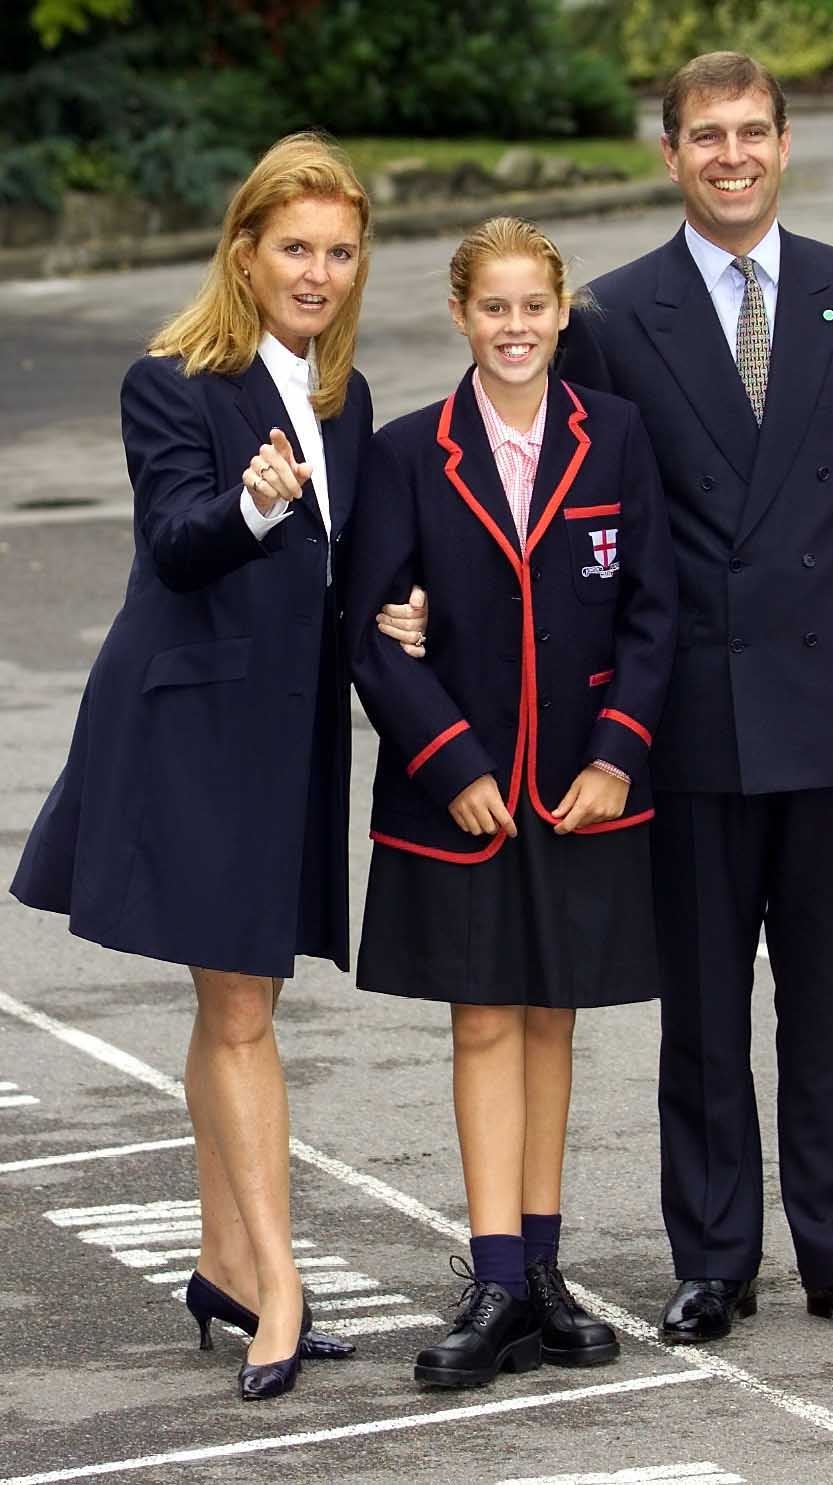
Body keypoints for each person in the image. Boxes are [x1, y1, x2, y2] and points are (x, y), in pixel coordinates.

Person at [10, 132, 422, 1400]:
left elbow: (341, 586)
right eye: (294, 247)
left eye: (340, 252)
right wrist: (249, 506)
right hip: (189, 730)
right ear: (243, 251)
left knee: (238, 1007)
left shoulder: (343, 406)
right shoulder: (174, 380)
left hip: (285, 738)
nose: (318, 271)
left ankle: (225, 1264)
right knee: (241, 1009)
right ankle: (282, 1287)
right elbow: (180, 545)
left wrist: (401, 621)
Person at [559, 52, 833, 1343]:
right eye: (702, 135)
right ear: (667, 154)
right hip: (694, 712)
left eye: (749, 132)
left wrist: (819, 607)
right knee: (705, 1004)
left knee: (829, 996)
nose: (729, 154)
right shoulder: (612, 317)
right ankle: (713, 1259)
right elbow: (602, 514)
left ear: (785, 143)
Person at [347, 217, 677, 1387]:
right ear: (460, 317)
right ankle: (492, 1277)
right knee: (482, 1017)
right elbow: (373, 631)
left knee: (553, 1017)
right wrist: (452, 762)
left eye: (535, 306)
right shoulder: (405, 452)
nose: (517, 327)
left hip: (583, 788)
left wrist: (618, 755)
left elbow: (653, 609)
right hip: (465, 795)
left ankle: (542, 1271)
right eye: (494, 308)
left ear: (561, 311)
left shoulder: (617, 436)